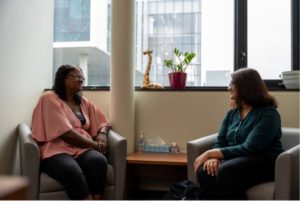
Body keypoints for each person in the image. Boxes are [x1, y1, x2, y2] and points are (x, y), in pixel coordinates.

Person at [194, 68, 284, 199]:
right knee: (205, 171)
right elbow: (220, 141)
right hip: (237, 160)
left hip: (265, 162)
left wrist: (210, 153)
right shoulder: (232, 113)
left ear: (245, 87)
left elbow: (250, 147)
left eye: (232, 84)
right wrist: (214, 158)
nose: (229, 88)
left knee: (227, 170)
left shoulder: (269, 114)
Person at [31, 64, 111, 200]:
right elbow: (66, 134)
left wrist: (102, 134)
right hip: (56, 150)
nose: (81, 79)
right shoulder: (49, 97)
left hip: (81, 148)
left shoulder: (83, 102)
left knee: (99, 161)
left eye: (82, 77)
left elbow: (103, 121)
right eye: (76, 76)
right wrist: (95, 145)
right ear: (62, 79)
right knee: (71, 170)